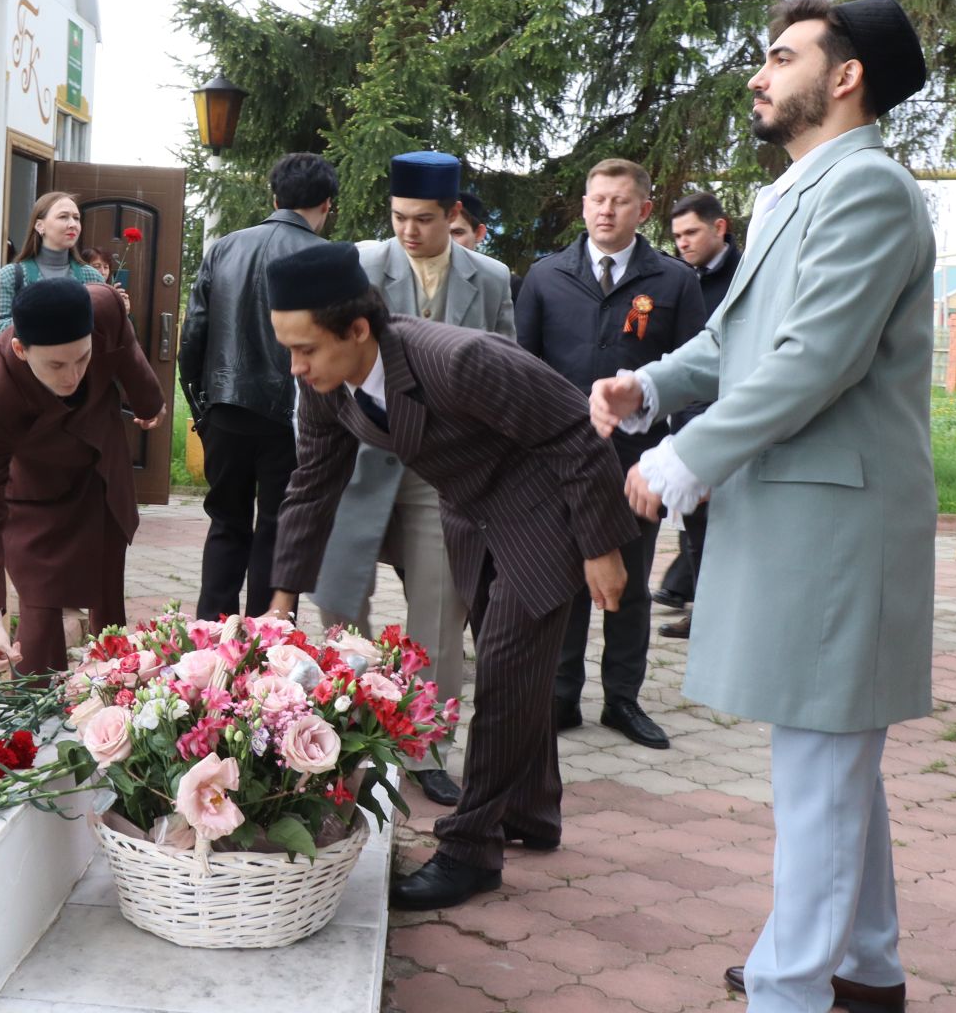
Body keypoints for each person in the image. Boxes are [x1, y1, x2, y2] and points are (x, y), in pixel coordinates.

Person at [591, 0, 933, 1013]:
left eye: (781, 56)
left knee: (821, 778)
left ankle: (792, 990)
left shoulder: (868, 190)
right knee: (831, 767)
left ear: (844, 77)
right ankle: (867, 966)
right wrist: (649, 387)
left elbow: (814, 358)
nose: (758, 72)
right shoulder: (798, 189)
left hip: (836, 530)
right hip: (803, 520)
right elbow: (741, 342)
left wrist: (681, 459)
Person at [265, 241, 637, 909]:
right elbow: (312, 483)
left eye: (306, 349)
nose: (295, 366)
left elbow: (575, 433)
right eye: (287, 349)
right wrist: (280, 600)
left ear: (356, 330)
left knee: (500, 674)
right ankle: (531, 812)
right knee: (517, 673)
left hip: (545, 508)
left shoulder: (457, 359)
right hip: (472, 516)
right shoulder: (326, 383)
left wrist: (602, 545)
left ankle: (469, 852)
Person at [308, 151, 516, 807]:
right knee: (341, 604)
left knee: (441, 608)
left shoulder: (491, 278)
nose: (407, 231)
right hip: (359, 464)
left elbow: (505, 369)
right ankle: (345, 733)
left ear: (453, 215)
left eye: (423, 220)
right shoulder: (357, 268)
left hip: (442, 473)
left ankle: (426, 747)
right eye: (398, 217)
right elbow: (316, 368)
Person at [516, 158, 705, 750]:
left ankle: (622, 699)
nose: (605, 210)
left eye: (620, 201)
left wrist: (685, 454)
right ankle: (560, 695)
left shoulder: (673, 282)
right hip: (559, 462)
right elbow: (523, 370)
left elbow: (697, 376)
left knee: (628, 584)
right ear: (583, 205)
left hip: (636, 464)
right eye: (597, 199)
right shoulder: (546, 277)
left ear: (644, 210)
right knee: (567, 579)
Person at [0, 280, 164, 676]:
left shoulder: (106, 307)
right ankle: (36, 717)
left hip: (99, 463)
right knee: (40, 604)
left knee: (107, 588)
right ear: (20, 350)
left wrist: (150, 402)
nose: (72, 376)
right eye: (57, 365)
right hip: (34, 490)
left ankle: (119, 694)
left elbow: (126, 351)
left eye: (82, 358)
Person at [178, 153, 337, 621]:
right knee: (276, 527)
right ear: (327, 204)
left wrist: (202, 406)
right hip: (292, 412)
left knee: (225, 524)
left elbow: (194, 336)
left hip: (225, 408)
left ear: (274, 198)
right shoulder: (325, 258)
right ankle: (266, 651)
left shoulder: (225, 248)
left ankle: (210, 642)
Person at [654, 190, 744, 640]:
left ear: (719, 227)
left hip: (733, 415)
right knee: (696, 521)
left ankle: (719, 610)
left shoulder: (746, 276)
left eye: (691, 232)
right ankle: (702, 606)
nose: (682, 243)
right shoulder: (677, 278)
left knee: (731, 523)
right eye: (676, 236)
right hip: (687, 415)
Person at [0, 192, 109, 333]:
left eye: (76, 218)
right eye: (63, 217)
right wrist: (45, 314)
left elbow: (104, 330)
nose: (73, 224)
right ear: (39, 226)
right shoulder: (11, 275)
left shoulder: (92, 277)